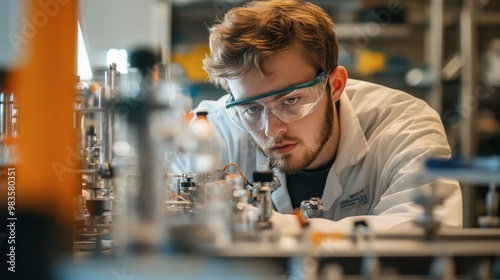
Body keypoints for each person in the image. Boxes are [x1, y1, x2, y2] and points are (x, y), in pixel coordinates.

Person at [172, 0, 462, 233]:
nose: (272, 129)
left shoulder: (404, 124)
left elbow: (425, 235)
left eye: (291, 100)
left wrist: (268, 228)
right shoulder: (212, 130)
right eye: (252, 108)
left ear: (334, 85)